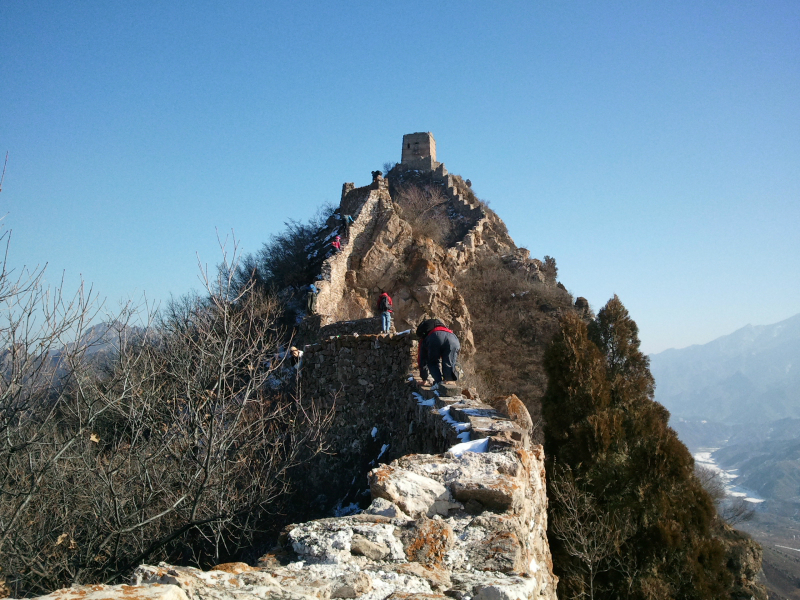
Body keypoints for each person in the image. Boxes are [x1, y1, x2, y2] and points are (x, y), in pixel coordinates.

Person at [416, 318, 460, 385]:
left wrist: (424, 378)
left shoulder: (425, 337)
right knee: (449, 361)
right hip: (453, 338)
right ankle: (448, 381)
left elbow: (422, 359)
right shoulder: (445, 329)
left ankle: (439, 383)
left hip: (435, 337)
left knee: (433, 362)